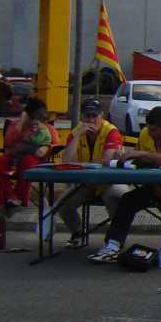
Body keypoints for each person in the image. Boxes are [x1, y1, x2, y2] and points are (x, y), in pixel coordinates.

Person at [88, 106, 161, 263]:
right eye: (149, 130)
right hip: (157, 187)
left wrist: (144, 154)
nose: (151, 134)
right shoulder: (146, 133)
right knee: (128, 199)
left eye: (155, 131)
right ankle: (112, 245)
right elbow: (139, 158)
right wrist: (124, 157)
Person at [56, 97, 130, 246]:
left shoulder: (111, 131)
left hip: (110, 181)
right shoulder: (76, 132)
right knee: (62, 204)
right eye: (87, 116)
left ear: (101, 115)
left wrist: (80, 165)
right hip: (87, 182)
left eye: (94, 116)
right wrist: (77, 136)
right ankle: (77, 233)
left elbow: (106, 160)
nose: (90, 119)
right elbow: (67, 160)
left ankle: (114, 239)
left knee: (117, 196)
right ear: (82, 116)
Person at [0, 100, 59, 210]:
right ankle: (8, 198)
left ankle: (20, 198)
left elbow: (55, 144)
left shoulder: (46, 127)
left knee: (27, 160)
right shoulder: (17, 124)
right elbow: (8, 142)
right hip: (15, 156)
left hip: (36, 159)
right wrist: (21, 123)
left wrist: (46, 147)